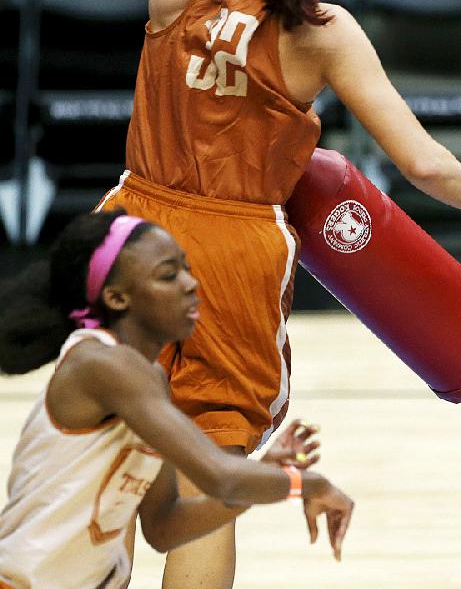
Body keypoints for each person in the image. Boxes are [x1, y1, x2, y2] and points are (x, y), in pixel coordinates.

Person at [102, 0, 461, 586]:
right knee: (209, 466)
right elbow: (423, 165)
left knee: (106, 447)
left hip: (129, 231)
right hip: (231, 259)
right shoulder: (326, 33)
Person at [0, 210, 354, 589]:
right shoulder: (103, 365)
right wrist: (307, 483)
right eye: (169, 275)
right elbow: (223, 478)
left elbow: (164, 525)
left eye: (186, 269)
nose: (191, 283)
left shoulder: (146, 377)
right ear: (117, 298)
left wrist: (267, 474)